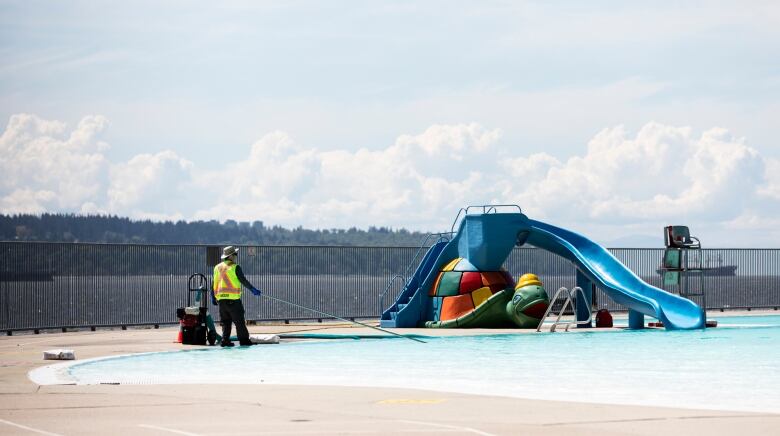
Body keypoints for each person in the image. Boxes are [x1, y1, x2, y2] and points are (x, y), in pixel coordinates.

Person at [212, 246, 262, 347]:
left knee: (226, 322)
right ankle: (244, 341)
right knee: (239, 322)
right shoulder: (235, 267)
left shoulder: (217, 267)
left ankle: (225, 341)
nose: (236, 256)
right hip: (233, 300)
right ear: (230, 256)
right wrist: (253, 289)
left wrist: (213, 297)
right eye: (235, 254)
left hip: (221, 300)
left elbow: (213, 283)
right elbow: (243, 281)